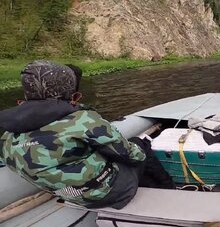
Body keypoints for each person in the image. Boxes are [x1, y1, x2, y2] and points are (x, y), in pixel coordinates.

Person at [0, 60, 175, 209]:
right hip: (110, 195)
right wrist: (138, 152)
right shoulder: (83, 120)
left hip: (70, 196)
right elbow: (129, 154)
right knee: (140, 145)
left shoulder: (6, 136)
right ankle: (170, 191)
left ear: (22, 99)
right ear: (75, 96)